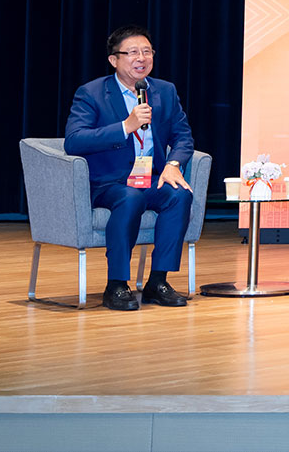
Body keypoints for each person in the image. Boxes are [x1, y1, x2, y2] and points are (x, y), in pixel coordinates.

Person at [63, 25, 195, 310]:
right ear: (114, 60)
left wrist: (173, 165)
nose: (142, 58)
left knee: (179, 194)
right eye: (133, 52)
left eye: (147, 52)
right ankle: (117, 284)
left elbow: (183, 137)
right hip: (108, 182)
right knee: (130, 196)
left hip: (150, 177)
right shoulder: (92, 93)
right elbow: (73, 141)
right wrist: (125, 126)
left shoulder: (165, 91)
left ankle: (157, 282)